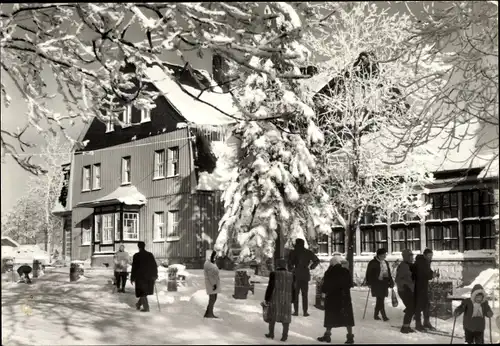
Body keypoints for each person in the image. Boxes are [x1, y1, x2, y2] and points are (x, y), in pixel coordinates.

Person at [317, 255, 355, 344]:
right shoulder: (346, 271)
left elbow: (325, 287)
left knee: (330, 317)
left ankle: (327, 335)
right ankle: (350, 337)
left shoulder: (329, 272)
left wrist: (324, 292)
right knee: (347, 318)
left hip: (332, 298)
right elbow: (350, 284)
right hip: (344, 298)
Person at [287, 238, 320, 317]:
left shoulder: (293, 252)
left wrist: (291, 269)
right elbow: (317, 260)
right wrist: (312, 266)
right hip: (305, 274)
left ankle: (296, 311)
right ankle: (305, 312)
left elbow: (289, 263)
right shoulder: (308, 252)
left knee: (296, 294)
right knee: (305, 294)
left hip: (296, 275)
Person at [264, 258, 294, 342]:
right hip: (287, 299)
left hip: (275, 298)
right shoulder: (291, 275)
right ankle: (284, 336)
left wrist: (267, 298)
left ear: (277, 265)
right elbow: (293, 289)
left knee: (272, 315)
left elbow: (270, 287)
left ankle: (271, 333)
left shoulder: (274, 274)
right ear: (285, 265)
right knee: (286, 318)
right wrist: (293, 300)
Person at [365, 248, 394, 321]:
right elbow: (368, 273)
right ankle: (384, 316)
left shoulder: (385, 262)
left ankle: (376, 315)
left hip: (384, 283)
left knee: (380, 299)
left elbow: (389, 273)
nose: (385, 256)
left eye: (385, 254)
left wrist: (391, 281)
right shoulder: (373, 263)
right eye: (383, 254)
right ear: (379, 255)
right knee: (380, 299)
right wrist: (369, 282)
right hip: (376, 283)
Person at [413, 248, 439, 331]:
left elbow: (428, 272)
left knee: (426, 304)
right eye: (429, 255)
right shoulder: (421, 262)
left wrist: (433, 274)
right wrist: (432, 275)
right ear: (424, 255)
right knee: (419, 305)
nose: (430, 257)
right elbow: (422, 275)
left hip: (423, 286)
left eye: (431, 256)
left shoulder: (425, 262)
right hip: (418, 286)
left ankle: (426, 322)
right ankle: (418, 324)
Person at [130, 241, 158, 312]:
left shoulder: (136, 256)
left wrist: (132, 277)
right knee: (144, 292)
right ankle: (138, 304)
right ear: (144, 246)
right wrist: (155, 275)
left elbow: (134, 268)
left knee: (142, 292)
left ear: (138, 247)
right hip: (149, 277)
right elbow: (154, 266)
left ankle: (146, 308)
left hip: (140, 278)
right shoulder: (150, 255)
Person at [395, 249, 416, 333]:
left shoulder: (410, 265)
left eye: (412, 256)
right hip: (404, 290)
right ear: (406, 257)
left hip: (410, 289)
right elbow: (398, 279)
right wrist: (404, 286)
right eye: (411, 256)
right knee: (411, 308)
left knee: (411, 308)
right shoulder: (403, 266)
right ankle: (405, 327)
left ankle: (407, 325)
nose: (412, 257)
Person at [204, 250, 221, 318]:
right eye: (214, 256)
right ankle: (209, 313)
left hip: (213, 283)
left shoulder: (211, 263)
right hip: (211, 284)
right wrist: (214, 284)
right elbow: (210, 275)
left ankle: (208, 312)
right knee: (212, 298)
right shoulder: (209, 264)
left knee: (214, 298)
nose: (215, 257)